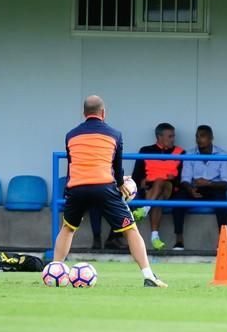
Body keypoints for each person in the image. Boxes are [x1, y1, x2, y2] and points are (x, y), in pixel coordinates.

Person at [53, 95, 167, 287]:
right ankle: (149, 276)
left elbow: (72, 164)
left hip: (76, 187)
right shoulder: (115, 134)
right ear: (103, 113)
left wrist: (69, 192)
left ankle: (54, 271)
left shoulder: (70, 135)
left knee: (68, 228)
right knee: (130, 229)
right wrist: (123, 184)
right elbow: (117, 167)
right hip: (103, 186)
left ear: (84, 114)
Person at [172, 125, 227, 250]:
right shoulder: (189, 154)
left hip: (214, 187)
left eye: (203, 136)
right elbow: (185, 179)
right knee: (178, 201)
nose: (199, 139)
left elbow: (226, 184)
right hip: (194, 188)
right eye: (197, 136)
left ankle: (222, 242)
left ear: (211, 138)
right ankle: (179, 241)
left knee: (222, 202)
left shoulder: (222, 155)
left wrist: (208, 184)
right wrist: (190, 190)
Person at [131, 123, 185, 250]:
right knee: (158, 199)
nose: (173, 139)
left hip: (169, 187)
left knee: (161, 181)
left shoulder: (180, 152)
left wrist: (174, 179)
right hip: (150, 188)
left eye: (173, 136)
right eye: (170, 136)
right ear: (159, 137)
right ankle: (154, 237)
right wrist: (141, 181)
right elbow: (136, 175)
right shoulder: (145, 150)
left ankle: (145, 209)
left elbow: (183, 176)